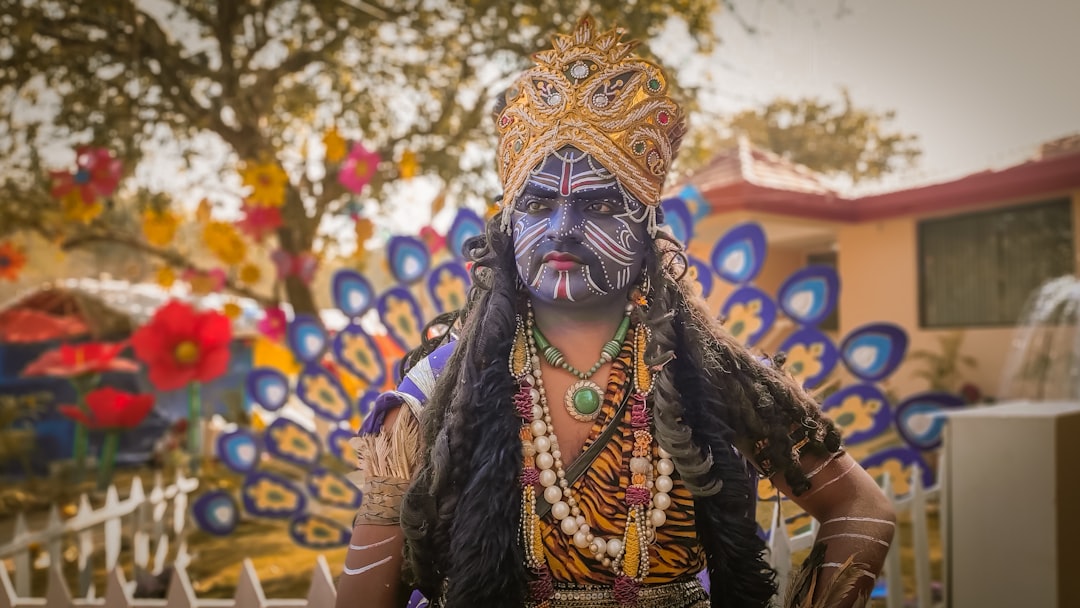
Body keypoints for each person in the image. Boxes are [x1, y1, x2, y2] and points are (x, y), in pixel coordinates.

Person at [336, 16, 894, 608]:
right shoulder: (434, 394)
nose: (562, 228)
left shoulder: (713, 378)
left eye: (601, 204)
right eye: (538, 203)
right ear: (509, 225)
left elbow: (862, 507)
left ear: (647, 228)